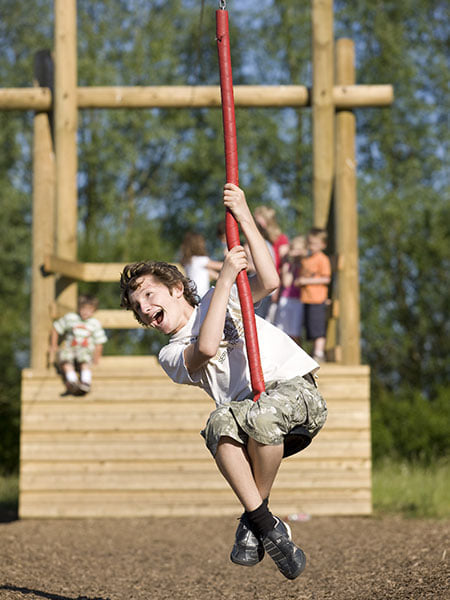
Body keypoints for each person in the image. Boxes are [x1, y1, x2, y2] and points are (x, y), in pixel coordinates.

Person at [119, 184, 327, 581]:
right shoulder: (170, 354)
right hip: (250, 415)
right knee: (218, 423)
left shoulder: (221, 296)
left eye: (149, 295)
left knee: (259, 415)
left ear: (177, 288)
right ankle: (269, 526)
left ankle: (254, 520)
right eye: (137, 307)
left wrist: (245, 213)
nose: (144, 308)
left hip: (295, 392)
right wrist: (228, 278)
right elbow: (208, 345)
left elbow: (269, 278)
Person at [49, 294, 107, 394]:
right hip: (71, 348)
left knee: (84, 361)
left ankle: (85, 382)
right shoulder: (71, 318)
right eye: (83, 309)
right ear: (79, 308)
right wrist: (54, 345)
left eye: (89, 310)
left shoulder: (94, 323)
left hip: (85, 349)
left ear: (94, 311)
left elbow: (99, 342)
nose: (86, 312)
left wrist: (96, 358)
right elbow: (56, 328)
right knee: (65, 359)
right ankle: (72, 381)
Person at [297, 228, 332, 362]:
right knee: (309, 326)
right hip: (306, 298)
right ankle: (313, 351)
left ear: (323, 244)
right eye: (310, 243)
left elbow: (326, 279)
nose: (312, 246)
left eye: (315, 244)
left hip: (317, 299)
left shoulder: (322, 259)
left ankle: (319, 352)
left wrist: (306, 281)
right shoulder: (307, 258)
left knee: (317, 327)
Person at [253, 205, 289, 322]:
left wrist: (278, 289)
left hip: (273, 282)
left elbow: (284, 265)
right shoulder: (262, 240)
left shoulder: (281, 239)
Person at [274, 235, 308, 344]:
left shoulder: (306, 263)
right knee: (281, 329)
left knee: (295, 330)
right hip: (286, 298)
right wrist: (290, 265)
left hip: (298, 300)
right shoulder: (288, 264)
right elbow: (286, 282)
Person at [180, 231, 223, 299]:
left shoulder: (189, 262)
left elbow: (213, 274)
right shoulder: (200, 260)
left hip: (192, 295)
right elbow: (222, 266)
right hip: (201, 295)